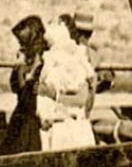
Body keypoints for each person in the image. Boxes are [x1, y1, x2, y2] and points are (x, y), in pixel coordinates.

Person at [37, 19, 97, 150]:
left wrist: (54, 95)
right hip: (54, 127)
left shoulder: (76, 64)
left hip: (71, 127)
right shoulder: (49, 65)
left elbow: (81, 98)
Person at [0, 15, 46, 155]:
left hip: (32, 116)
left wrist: (22, 69)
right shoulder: (26, 58)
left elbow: (26, 92)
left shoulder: (43, 60)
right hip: (22, 114)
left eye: (23, 42)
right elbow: (16, 87)